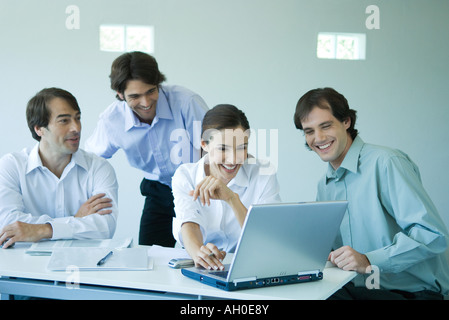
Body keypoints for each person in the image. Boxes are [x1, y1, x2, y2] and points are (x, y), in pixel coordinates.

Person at [293, 87, 449, 300]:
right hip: (358, 289)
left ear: (346, 122)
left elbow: (433, 236)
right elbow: (333, 252)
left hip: (412, 293)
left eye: (325, 126)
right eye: (309, 131)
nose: (318, 138)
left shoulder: (386, 163)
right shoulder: (325, 185)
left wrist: (368, 259)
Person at [85, 51, 208, 247]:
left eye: (151, 91)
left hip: (199, 190)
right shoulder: (112, 120)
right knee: (150, 258)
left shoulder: (186, 102)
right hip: (158, 193)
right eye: (135, 96)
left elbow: (214, 147)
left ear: (159, 84)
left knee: (203, 257)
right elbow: (89, 160)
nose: (146, 102)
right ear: (120, 94)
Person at [0, 88, 118, 248]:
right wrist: (76, 221)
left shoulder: (99, 168)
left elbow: (105, 227)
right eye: (64, 121)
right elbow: (7, 224)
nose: (76, 128)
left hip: (81, 265)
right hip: (23, 267)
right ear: (39, 129)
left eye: (78, 118)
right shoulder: (11, 165)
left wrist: (43, 230)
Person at [172, 104, 281, 270]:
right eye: (223, 149)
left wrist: (231, 198)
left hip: (248, 266)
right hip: (200, 267)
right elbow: (189, 223)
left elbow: (267, 237)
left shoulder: (262, 173)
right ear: (204, 144)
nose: (232, 159)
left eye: (241, 148)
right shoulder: (186, 175)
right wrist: (199, 254)